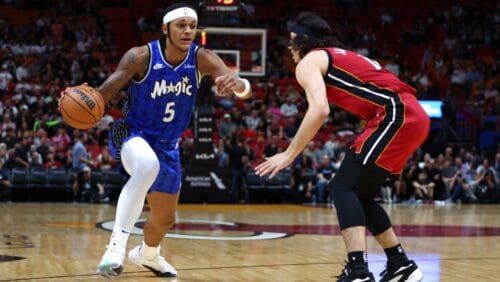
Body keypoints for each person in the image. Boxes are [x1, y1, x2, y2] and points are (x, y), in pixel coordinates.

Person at [60, 3, 252, 278]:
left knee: (165, 219)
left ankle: (148, 254)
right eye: (181, 25)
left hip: (168, 146)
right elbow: (105, 93)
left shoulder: (202, 58)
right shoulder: (140, 57)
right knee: (147, 165)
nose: (188, 31)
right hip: (132, 133)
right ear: (165, 28)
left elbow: (243, 87)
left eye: (192, 26)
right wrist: (85, 102)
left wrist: (239, 85)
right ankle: (115, 249)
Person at [255, 12, 428, 282]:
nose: (289, 48)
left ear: (304, 40)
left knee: (341, 187)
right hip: (411, 115)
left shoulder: (310, 61)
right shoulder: (336, 54)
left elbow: (320, 109)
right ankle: (400, 264)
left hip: (396, 114)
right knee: (359, 195)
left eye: (292, 41)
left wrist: (289, 154)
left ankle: (358, 271)